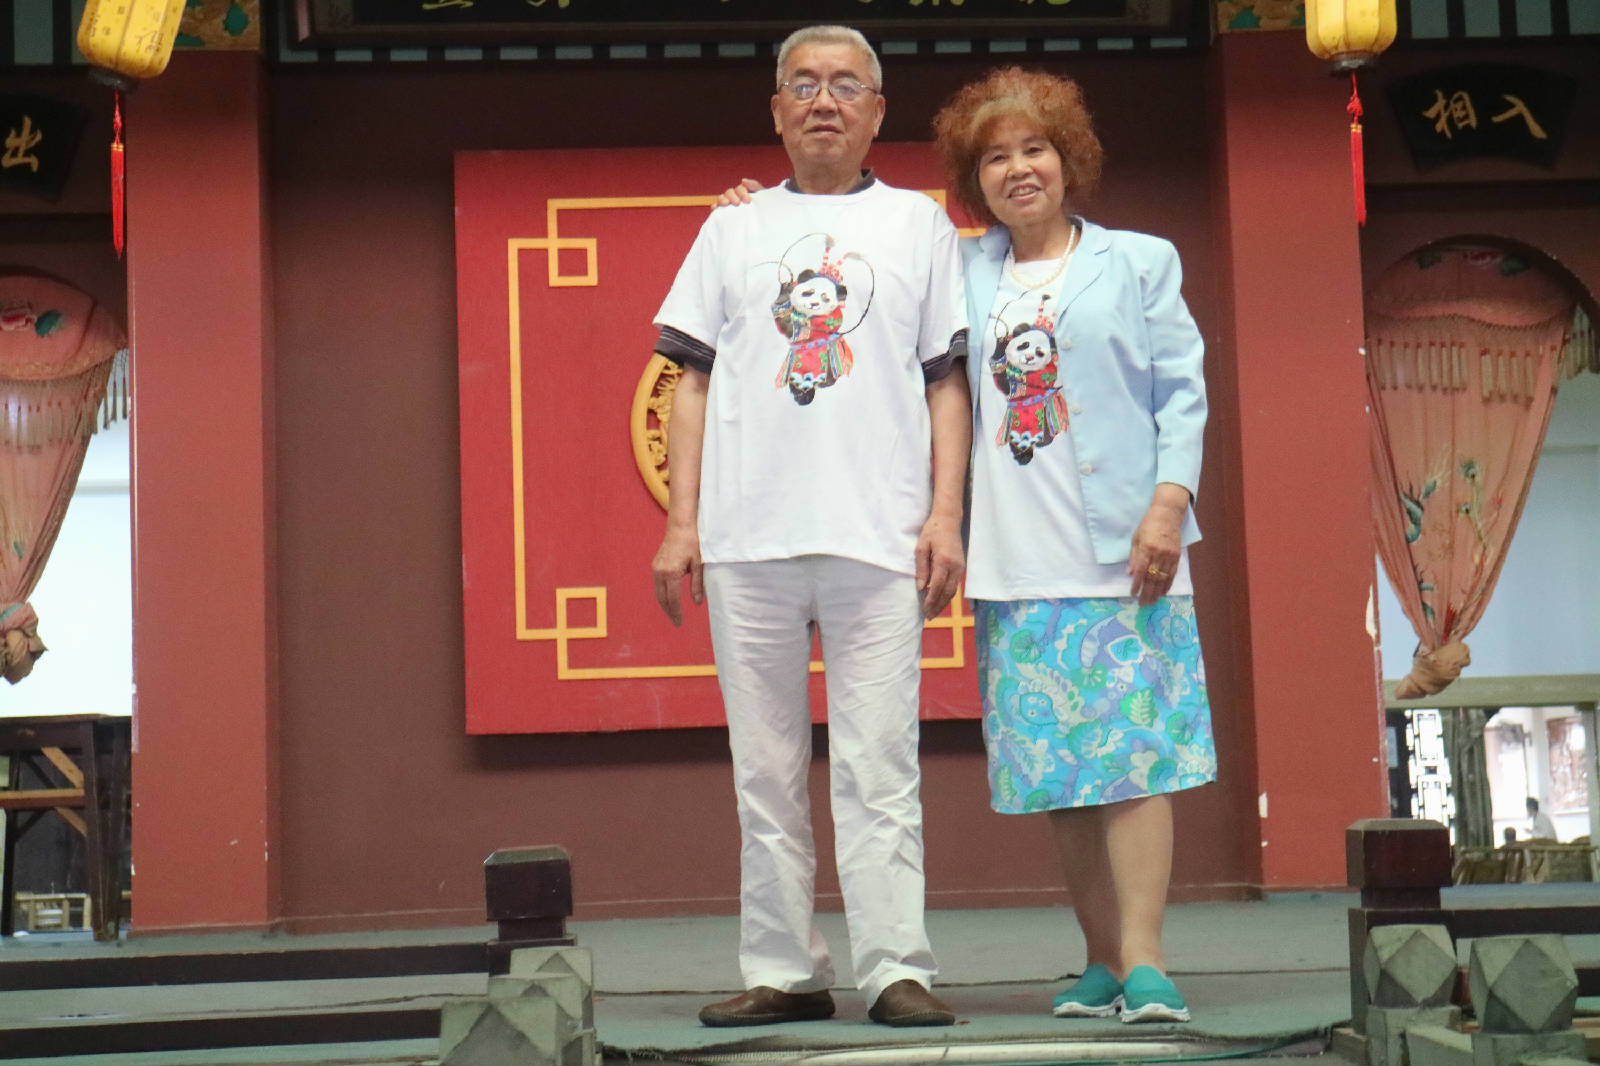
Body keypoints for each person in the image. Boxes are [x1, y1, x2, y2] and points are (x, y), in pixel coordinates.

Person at [715, 65, 1214, 1024]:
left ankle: (1147, 960)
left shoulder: (1140, 262)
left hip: (1126, 550)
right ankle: (1100, 959)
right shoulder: (962, 262)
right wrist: (754, 205)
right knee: (1064, 768)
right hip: (1015, 560)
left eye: (1035, 150)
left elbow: (1181, 394)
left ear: (1070, 160)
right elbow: (856, 247)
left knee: (1137, 760)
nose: (1018, 170)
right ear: (973, 180)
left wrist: (1169, 503)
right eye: (995, 158)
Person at [650, 24, 971, 1029]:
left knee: (882, 768)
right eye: (803, 85)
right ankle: (784, 968)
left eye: (845, 85)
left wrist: (946, 514)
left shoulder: (919, 225)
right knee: (765, 772)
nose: (823, 101)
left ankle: (893, 967)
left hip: (880, 538)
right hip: (747, 540)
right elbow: (690, 381)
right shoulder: (731, 229)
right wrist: (681, 523)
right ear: (776, 110)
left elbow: (947, 381)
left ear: (877, 111)